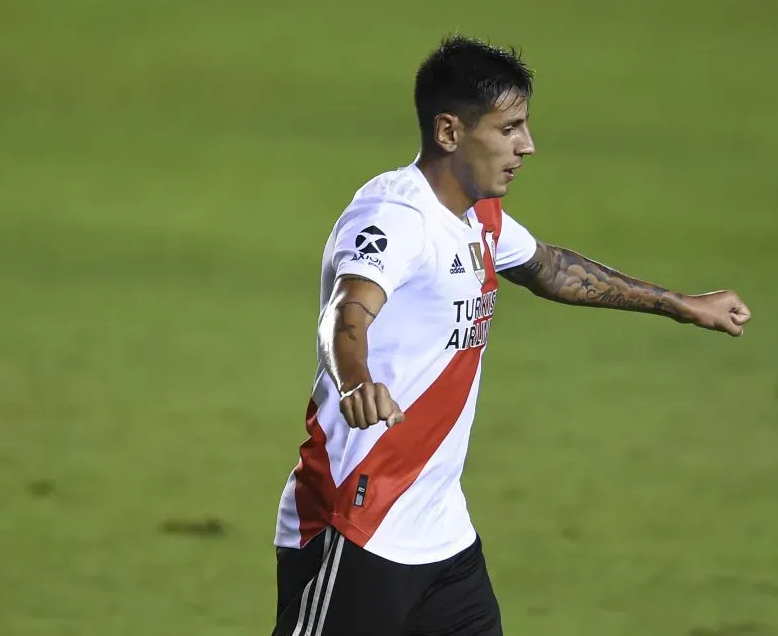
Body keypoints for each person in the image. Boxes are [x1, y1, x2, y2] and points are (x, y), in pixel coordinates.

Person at [272, 34, 752, 636]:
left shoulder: (477, 215)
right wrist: (356, 382)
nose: (527, 146)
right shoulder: (396, 217)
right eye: (509, 129)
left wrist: (681, 304)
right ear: (450, 132)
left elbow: (551, 269)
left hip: (440, 529)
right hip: (357, 520)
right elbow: (346, 314)